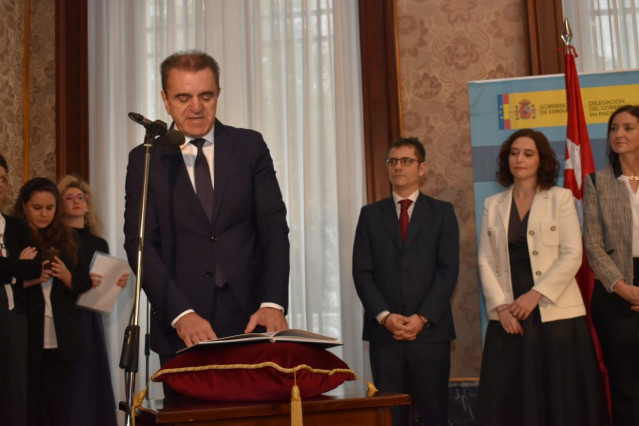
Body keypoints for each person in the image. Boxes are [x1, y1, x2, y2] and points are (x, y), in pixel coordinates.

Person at [123, 51, 290, 368]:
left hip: (253, 322)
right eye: (183, 97)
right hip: (182, 331)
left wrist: (273, 301)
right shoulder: (146, 158)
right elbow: (140, 244)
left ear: (218, 95)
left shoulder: (249, 147)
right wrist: (180, 313)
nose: (196, 107)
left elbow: (274, 229)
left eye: (205, 96)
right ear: (165, 99)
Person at [477, 129, 609, 426]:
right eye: (513, 153)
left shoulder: (560, 198)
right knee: (510, 396)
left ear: (542, 160)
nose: (519, 159)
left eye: (527, 153)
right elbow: (485, 259)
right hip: (508, 314)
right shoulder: (493, 204)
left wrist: (534, 295)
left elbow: (573, 255)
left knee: (560, 398)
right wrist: (501, 308)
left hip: (555, 311)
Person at [352, 137, 459, 426]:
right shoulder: (370, 215)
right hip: (385, 335)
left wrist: (422, 318)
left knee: (434, 413)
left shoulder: (442, 213)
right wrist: (385, 317)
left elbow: (448, 271)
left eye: (406, 161)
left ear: (422, 168)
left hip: (430, 333)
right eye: (393, 161)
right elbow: (362, 273)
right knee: (391, 416)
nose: (398, 167)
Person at [14, 177, 92, 426]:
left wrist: (68, 278)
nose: (44, 214)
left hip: (61, 336)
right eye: (37, 208)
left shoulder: (67, 238)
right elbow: (6, 287)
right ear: (24, 206)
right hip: (25, 335)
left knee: (57, 406)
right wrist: (27, 276)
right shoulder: (14, 237)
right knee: (27, 405)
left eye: (50, 208)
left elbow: (85, 281)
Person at [583, 105, 639, 426]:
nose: (619, 134)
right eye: (614, 128)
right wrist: (622, 288)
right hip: (615, 290)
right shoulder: (597, 181)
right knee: (625, 385)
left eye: (628, 128)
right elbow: (592, 243)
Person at [58, 175, 128, 426]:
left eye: (81, 197)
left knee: (93, 377)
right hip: (66, 315)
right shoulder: (57, 239)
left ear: (88, 204)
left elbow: (103, 281)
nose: (76, 201)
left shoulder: (98, 241)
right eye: (69, 197)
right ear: (60, 203)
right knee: (73, 382)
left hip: (92, 317)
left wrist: (116, 282)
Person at [0, 155, 41, 426]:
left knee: (13, 392)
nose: (0, 185)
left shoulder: (16, 226)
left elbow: (35, 268)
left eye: (3, 179)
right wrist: (16, 266)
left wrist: (10, 269)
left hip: (13, 315)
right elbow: (22, 268)